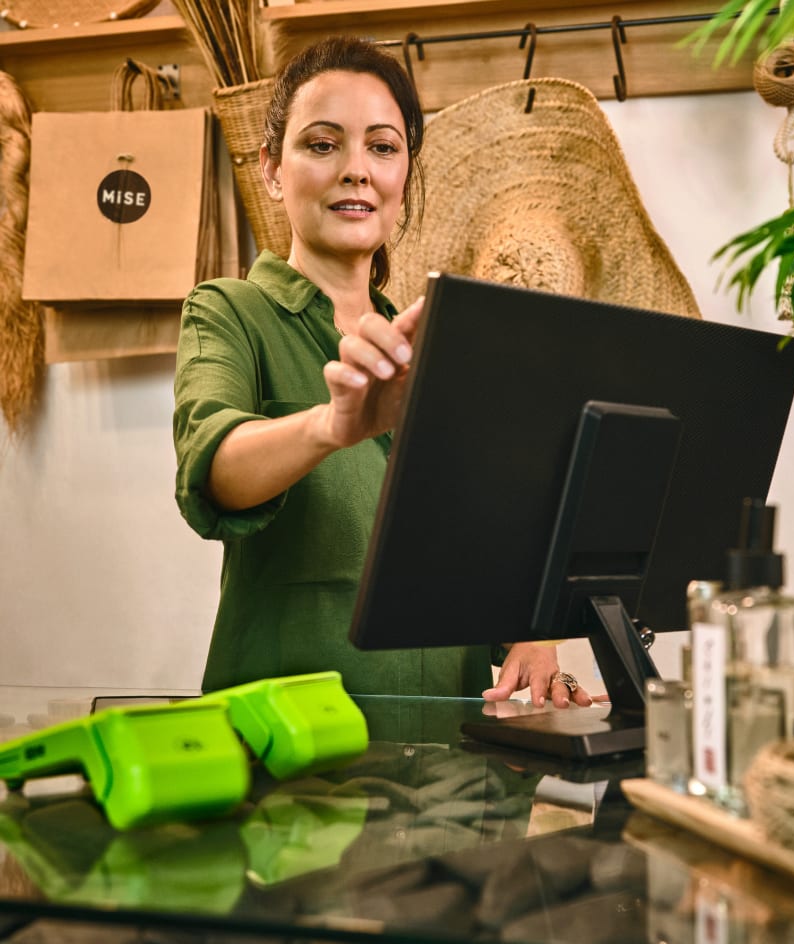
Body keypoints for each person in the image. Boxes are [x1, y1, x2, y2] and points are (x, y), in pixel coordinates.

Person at [173, 35, 592, 709]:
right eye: (321, 143)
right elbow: (212, 467)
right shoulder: (231, 311)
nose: (356, 170)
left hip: (447, 766)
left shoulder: (444, 348)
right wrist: (327, 426)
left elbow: (474, 547)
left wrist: (529, 635)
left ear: (404, 174)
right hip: (293, 756)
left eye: (382, 146)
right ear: (272, 169)